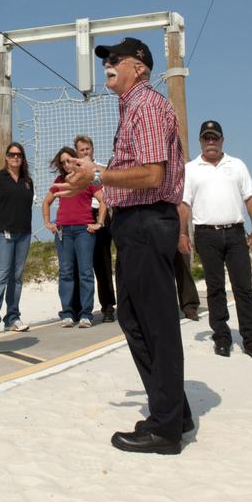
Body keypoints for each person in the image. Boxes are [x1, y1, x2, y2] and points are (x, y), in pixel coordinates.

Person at [53, 37, 189, 455]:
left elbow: (150, 175)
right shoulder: (130, 106)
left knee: (155, 324)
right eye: (105, 60)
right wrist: (92, 176)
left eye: (116, 59)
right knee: (135, 319)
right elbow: (135, 172)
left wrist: (97, 175)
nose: (107, 65)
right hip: (136, 225)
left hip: (148, 223)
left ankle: (166, 429)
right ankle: (173, 411)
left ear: (140, 68)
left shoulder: (147, 105)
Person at [180, 120, 252, 361]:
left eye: (214, 137)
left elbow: (251, 197)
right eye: (206, 138)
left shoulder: (237, 165)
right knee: (215, 288)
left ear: (222, 140)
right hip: (206, 235)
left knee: (244, 288)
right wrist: (182, 233)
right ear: (200, 141)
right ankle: (222, 338)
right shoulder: (191, 169)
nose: (211, 142)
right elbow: (184, 205)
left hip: (236, 233)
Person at [43, 146, 105, 328]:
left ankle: (86, 314)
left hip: (83, 231)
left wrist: (99, 223)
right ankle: (68, 313)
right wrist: (48, 223)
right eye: (62, 162)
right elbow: (47, 202)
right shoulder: (59, 180)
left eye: (68, 160)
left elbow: (104, 201)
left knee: (85, 272)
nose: (66, 165)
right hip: (63, 232)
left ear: (75, 159)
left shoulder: (87, 178)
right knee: (66, 272)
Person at [0, 141, 34, 334]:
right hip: (3, 232)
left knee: (17, 278)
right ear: (6, 157)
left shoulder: (28, 180)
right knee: (1, 277)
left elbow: (27, 204)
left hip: (24, 234)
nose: (15, 157)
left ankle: (12, 317)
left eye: (19, 155)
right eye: (12, 154)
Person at [76, 135, 116, 323]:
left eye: (87, 149)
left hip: (99, 214)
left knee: (103, 263)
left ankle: (108, 306)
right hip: (80, 217)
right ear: (77, 152)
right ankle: (79, 309)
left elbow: (108, 194)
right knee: (79, 266)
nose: (85, 152)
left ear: (92, 149)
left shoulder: (101, 169)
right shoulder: (73, 171)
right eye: (81, 149)